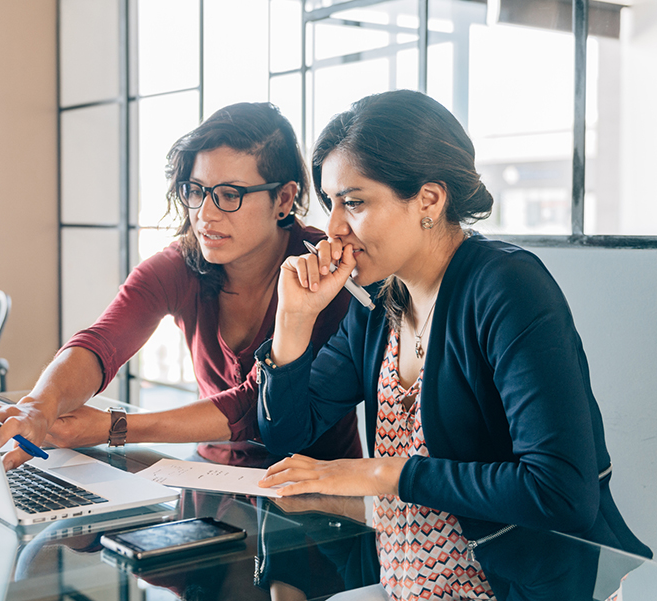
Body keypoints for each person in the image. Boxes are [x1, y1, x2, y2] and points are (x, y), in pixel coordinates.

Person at [254, 90, 652, 600]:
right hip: (402, 586)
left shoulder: (507, 287)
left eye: (354, 202)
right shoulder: (379, 300)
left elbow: (560, 491)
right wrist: (293, 321)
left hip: (511, 590)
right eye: (331, 202)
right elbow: (287, 431)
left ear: (429, 199)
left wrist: (382, 473)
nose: (333, 229)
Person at [0, 101, 361, 471]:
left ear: (283, 199)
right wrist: (40, 406)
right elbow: (102, 342)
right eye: (196, 190)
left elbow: (253, 407)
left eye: (229, 195)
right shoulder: (183, 263)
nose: (205, 214)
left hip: (315, 494)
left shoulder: (324, 272)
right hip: (209, 475)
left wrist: (115, 427)